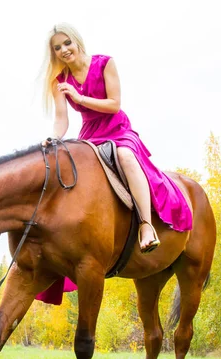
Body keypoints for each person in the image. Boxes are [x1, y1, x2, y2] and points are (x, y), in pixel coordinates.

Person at [41, 22, 193, 253]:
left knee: (126, 156)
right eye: (57, 47)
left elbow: (114, 105)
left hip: (117, 127)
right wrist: (53, 137)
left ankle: (146, 225)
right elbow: (62, 121)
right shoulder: (59, 82)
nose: (64, 50)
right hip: (90, 133)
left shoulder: (104, 63)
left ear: (77, 40)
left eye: (67, 42)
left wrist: (80, 99)